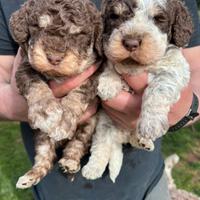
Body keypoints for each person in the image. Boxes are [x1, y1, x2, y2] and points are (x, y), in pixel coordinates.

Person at [0, 0, 200, 199]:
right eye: (115, 17)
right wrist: (21, 103)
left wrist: (187, 110)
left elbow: (195, 67)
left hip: (147, 182)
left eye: (157, 18)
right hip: (55, 188)